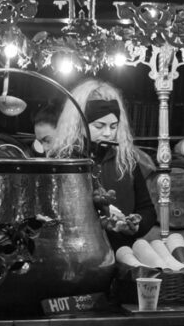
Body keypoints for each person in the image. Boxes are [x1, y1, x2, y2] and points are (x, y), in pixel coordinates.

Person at [51, 79, 158, 245]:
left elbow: (147, 209)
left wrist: (136, 226)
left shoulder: (126, 157)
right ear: (80, 124)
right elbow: (53, 211)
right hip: (78, 251)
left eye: (113, 126)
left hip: (123, 249)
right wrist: (98, 212)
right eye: (99, 126)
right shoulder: (62, 159)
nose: (108, 133)